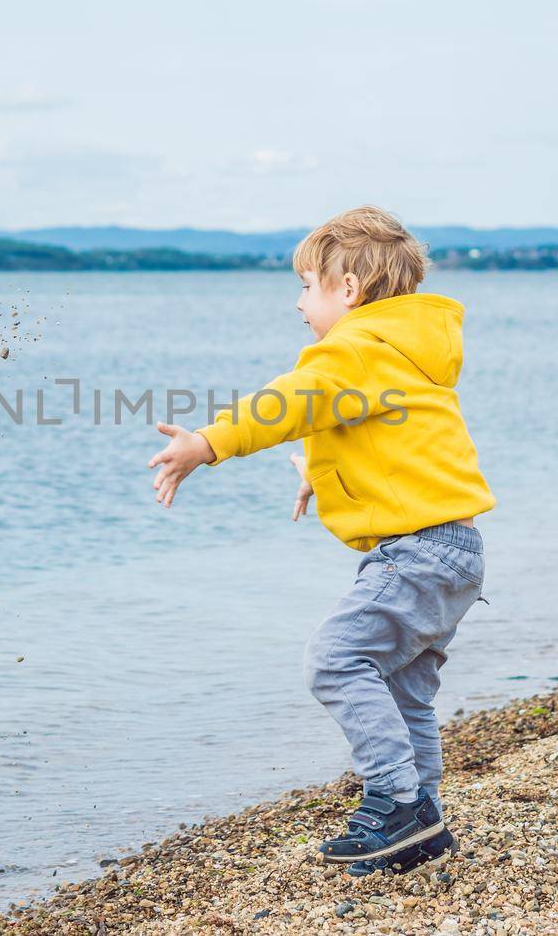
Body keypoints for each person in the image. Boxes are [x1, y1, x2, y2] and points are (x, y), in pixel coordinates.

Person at [146, 205, 494, 874]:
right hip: (456, 550)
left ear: (349, 291)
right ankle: (420, 825)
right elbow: (392, 439)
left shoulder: (357, 347)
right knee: (403, 690)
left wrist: (208, 442)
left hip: (417, 552)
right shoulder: (407, 349)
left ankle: (396, 799)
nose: (299, 301)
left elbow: (294, 400)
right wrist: (322, 476)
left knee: (335, 659)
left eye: (308, 285)